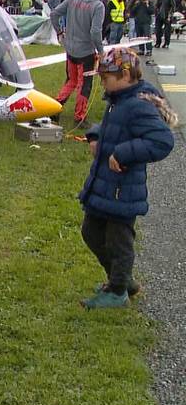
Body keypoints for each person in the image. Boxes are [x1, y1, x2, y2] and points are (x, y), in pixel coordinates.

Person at [78, 47, 175, 308]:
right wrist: (96, 134)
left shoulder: (138, 105)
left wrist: (123, 153)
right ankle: (123, 280)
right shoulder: (118, 100)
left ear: (124, 75)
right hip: (106, 186)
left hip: (122, 191)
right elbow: (114, 126)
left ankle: (118, 290)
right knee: (91, 231)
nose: (102, 84)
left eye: (105, 78)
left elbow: (162, 141)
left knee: (119, 243)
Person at [49, 0, 106, 125]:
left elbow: (54, 14)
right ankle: (79, 117)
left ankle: (55, 108)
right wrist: (100, 51)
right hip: (86, 52)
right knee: (85, 85)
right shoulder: (98, 6)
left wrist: (59, 32)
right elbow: (95, 32)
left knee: (71, 81)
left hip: (70, 49)